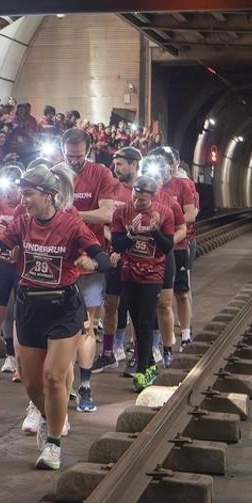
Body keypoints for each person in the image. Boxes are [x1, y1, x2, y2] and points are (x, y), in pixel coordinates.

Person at [0, 164, 111, 470]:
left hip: (63, 306)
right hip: (29, 306)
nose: (22, 199)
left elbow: (103, 259)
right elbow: (1, 244)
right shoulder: (22, 222)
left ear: (49, 195)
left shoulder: (71, 224)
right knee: (31, 383)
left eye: (28, 194)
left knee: (54, 375)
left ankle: (53, 442)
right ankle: (50, 415)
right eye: (22, 193)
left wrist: (89, 264)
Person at [59, 128, 119, 414]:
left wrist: (70, 215)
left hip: (90, 259)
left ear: (89, 151)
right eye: (69, 157)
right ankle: (64, 383)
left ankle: (84, 387)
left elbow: (107, 214)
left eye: (79, 157)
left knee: (85, 325)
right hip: (59, 260)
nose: (74, 163)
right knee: (59, 329)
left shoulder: (101, 174)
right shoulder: (54, 173)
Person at [110, 175, 176, 392]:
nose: (138, 202)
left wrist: (155, 231)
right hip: (129, 273)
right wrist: (131, 233)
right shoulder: (121, 212)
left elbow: (167, 247)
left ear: (152, 197)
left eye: (143, 200)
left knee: (147, 319)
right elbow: (118, 244)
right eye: (135, 197)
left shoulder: (164, 213)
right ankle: (148, 364)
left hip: (152, 274)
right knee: (136, 321)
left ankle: (141, 371)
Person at [139, 152, 187, 369]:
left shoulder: (169, 202)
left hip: (163, 259)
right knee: (141, 307)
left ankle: (167, 348)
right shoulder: (135, 200)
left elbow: (181, 227)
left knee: (164, 304)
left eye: (157, 177)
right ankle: (144, 350)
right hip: (139, 258)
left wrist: (168, 244)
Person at [101, 147, 142, 366]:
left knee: (136, 306)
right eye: (115, 164)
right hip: (115, 255)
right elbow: (106, 223)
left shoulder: (143, 189)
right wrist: (115, 245)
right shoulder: (112, 189)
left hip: (137, 256)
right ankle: (108, 352)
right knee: (110, 304)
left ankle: (137, 352)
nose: (116, 169)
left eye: (120, 164)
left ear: (134, 164)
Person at [0, 164, 24, 384]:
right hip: (2, 265)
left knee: (21, 317)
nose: (10, 192)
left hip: (20, 265)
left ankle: (20, 363)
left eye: (14, 187)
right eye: (6, 186)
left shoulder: (27, 203)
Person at [161, 150, 200, 348]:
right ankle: (157, 339)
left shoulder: (182, 184)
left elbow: (191, 214)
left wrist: (168, 223)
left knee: (182, 292)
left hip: (179, 245)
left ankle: (186, 333)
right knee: (158, 296)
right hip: (156, 249)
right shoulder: (148, 186)